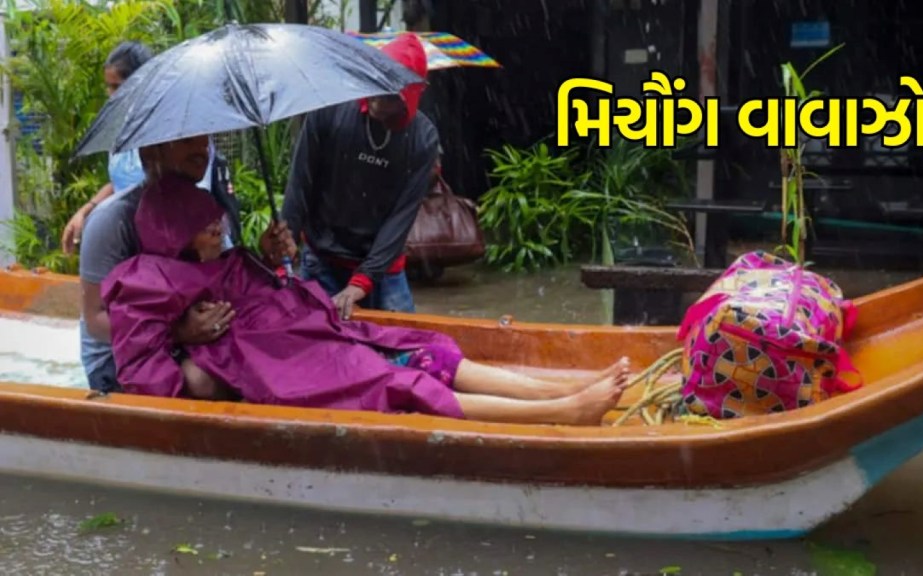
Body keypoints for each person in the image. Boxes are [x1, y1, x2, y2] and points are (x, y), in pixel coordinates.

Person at [101, 174, 632, 426]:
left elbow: (281, 298)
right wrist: (186, 341)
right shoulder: (148, 282)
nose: (217, 224)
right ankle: (563, 411)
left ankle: (553, 391)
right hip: (291, 371)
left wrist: (275, 260)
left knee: (432, 351)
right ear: (174, 230)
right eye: (203, 220)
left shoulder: (232, 260)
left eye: (214, 216)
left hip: (321, 341)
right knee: (403, 384)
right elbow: (146, 369)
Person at [77, 133, 290, 394]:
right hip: (120, 357)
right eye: (187, 141)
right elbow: (95, 320)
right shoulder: (111, 220)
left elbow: (219, 280)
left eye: (205, 141)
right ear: (150, 153)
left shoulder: (204, 206)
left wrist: (268, 259)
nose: (201, 150)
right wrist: (178, 332)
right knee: (205, 382)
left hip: (192, 340)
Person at [283, 32, 439, 320]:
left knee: (407, 349)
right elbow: (300, 184)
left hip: (383, 268)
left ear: (415, 93)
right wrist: (285, 244)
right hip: (322, 257)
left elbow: (400, 218)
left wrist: (363, 280)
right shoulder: (330, 111)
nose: (380, 98)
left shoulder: (422, 139)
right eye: (378, 83)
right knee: (320, 348)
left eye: (393, 92)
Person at [63, 41, 239, 253]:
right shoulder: (122, 133)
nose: (111, 95)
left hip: (181, 245)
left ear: (141, 83)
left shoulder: (176, 132)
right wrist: (88, 209)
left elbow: (192, 191)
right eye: (108, 87)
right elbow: (121, 182)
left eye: (117, 87)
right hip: (131, 238)